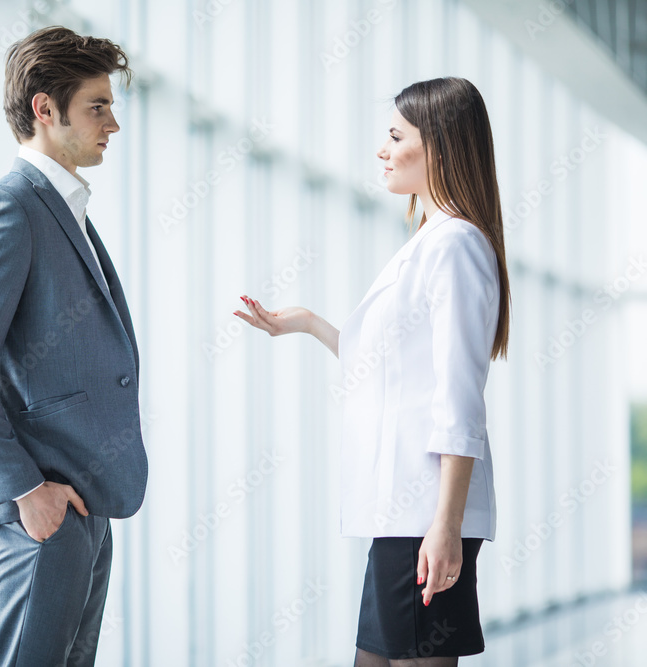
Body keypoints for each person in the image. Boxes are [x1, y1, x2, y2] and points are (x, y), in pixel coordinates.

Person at [235, 77, 511, 666]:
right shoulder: (431, 240)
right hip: (404, 515)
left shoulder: (454, 245)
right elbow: (393, 372)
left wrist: (446, 525)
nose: (382, 151)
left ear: (438, 146)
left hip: (424, 515)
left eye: (394, 136)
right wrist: (309, 324)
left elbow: (459, 398)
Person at [0, 26, 148, 666]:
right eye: (97, 106)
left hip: (82, 501)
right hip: (40, 510)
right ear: (44, 110)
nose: (112, 124)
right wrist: (26, 492)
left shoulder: (65, 208)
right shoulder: (8, 209)